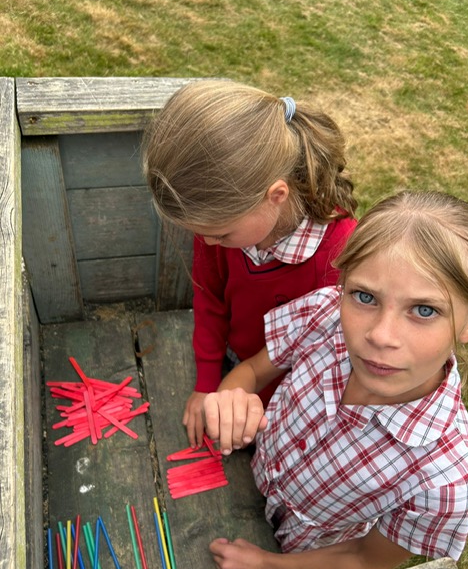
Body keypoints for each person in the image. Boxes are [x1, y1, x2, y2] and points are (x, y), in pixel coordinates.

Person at [203, 190, 468, 569]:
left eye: (424, 310)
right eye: (364, 296)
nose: (380, 336)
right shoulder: (325, 314)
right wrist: (231, 395)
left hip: (296, 557)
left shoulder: (447, 480)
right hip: (243, 479)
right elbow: (251, 370)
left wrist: (268, 567)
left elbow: (365, 559)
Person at [144, 80, 357, 447]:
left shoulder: (342, 256)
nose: (209, 243)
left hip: (295, 393)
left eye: (221, 235)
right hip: (237, 366)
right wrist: (207, 383)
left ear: (276, 195)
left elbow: (330, 355)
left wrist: (266, 407)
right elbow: (209, 298)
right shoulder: (224, 222)